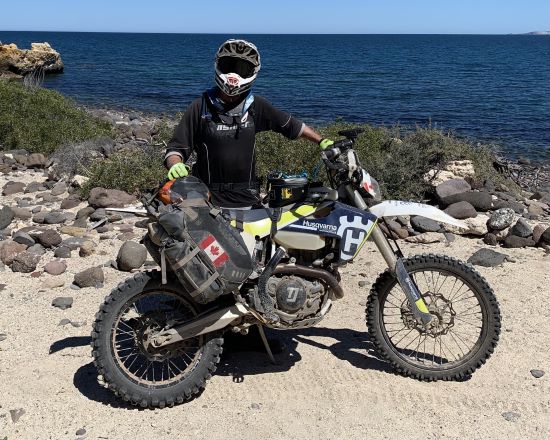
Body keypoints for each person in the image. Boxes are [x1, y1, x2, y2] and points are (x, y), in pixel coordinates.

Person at [164, 39, 334, 209]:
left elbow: (292, 126)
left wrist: (321, 141)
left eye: (242, 69)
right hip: (207, 200)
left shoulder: (256, 106)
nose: (233, 75)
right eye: (228, 66)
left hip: (247, 199)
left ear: (251, 73)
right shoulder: (201, 106)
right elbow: (177, 148)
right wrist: (176, 164)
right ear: (218, 65)